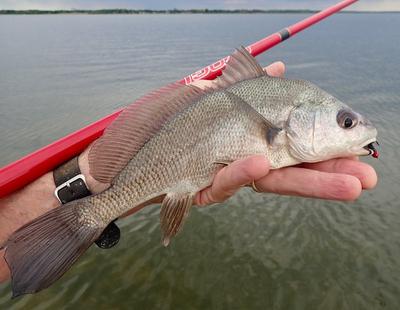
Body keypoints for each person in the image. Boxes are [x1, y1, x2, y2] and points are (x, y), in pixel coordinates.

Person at [0, 61, 377, 282]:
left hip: (176, 174)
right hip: (154, 171)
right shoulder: (279, 108)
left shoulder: (278, 109)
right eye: (347, 122)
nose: (354, 129)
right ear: (295, 116)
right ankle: (84, 215)